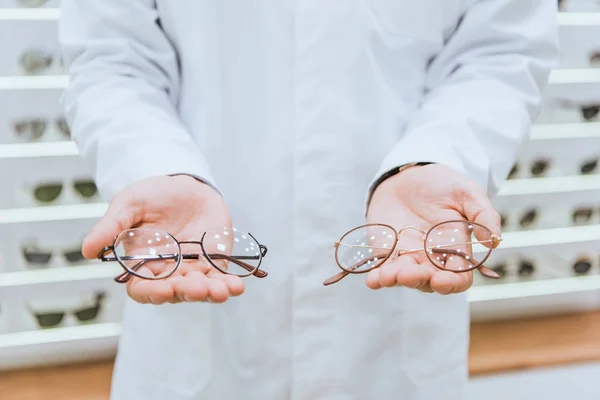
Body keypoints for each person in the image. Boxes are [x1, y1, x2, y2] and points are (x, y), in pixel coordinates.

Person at [58, 1, 558, 399]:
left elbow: (499, 52)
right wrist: (157, 166)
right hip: (196, 294)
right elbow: (113, 57)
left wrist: (435, 158)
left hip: (396, 303)